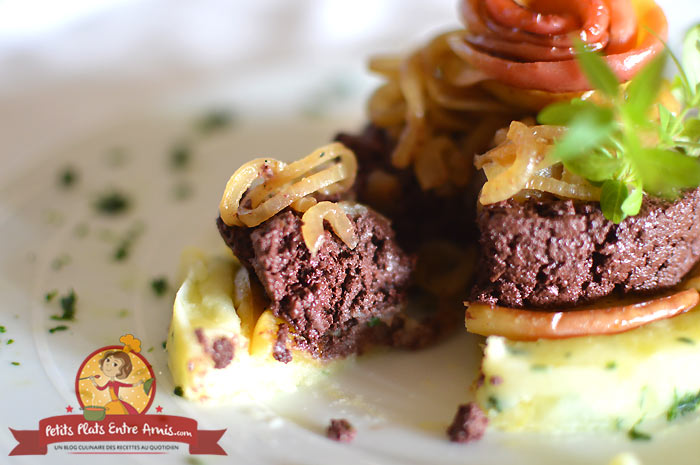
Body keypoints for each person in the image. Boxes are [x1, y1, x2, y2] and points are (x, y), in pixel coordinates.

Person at [89, 350, 144, 415]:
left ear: (121, 371)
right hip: (112, 403)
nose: (108, 365)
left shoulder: (117, 383)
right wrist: (93, 381)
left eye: (115, 364)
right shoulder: (109, 383)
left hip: (117, 403)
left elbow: (128, 385)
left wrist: (138, 383)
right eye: (108, 360)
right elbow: (101, 388)